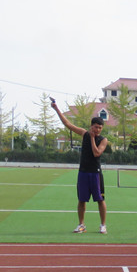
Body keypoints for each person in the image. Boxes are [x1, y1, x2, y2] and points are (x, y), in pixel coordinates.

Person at [51, 99, 108, 234]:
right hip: (83, 172)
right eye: (95, 127)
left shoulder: (103, 140)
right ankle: (81, 225)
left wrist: (93, 138)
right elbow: (67, 124)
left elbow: (96, 153)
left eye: (100, 128)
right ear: (91, 126)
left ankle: (103, 225)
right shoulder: (84, 134)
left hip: (95, 173)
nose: (98, 130)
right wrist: (56, 108)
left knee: (100, 200)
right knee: (82, 200)